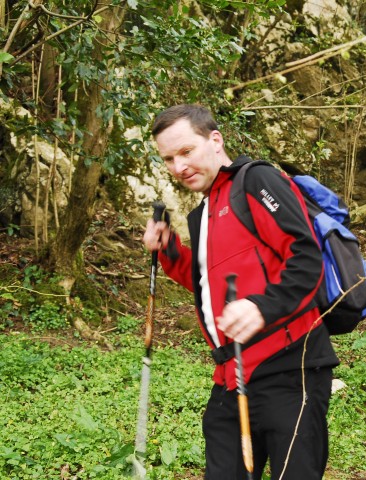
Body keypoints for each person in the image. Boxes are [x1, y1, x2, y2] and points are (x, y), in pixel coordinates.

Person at [142, 104, 339, 480]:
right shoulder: (203, 212)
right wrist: (169, 250)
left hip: (290, 370)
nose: (179, 166)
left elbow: (306, 257)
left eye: (186, 151)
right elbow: (208, 283)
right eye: (168, 158)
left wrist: (262, 308)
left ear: (215, 140)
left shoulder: (257, 181)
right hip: (231, 378)